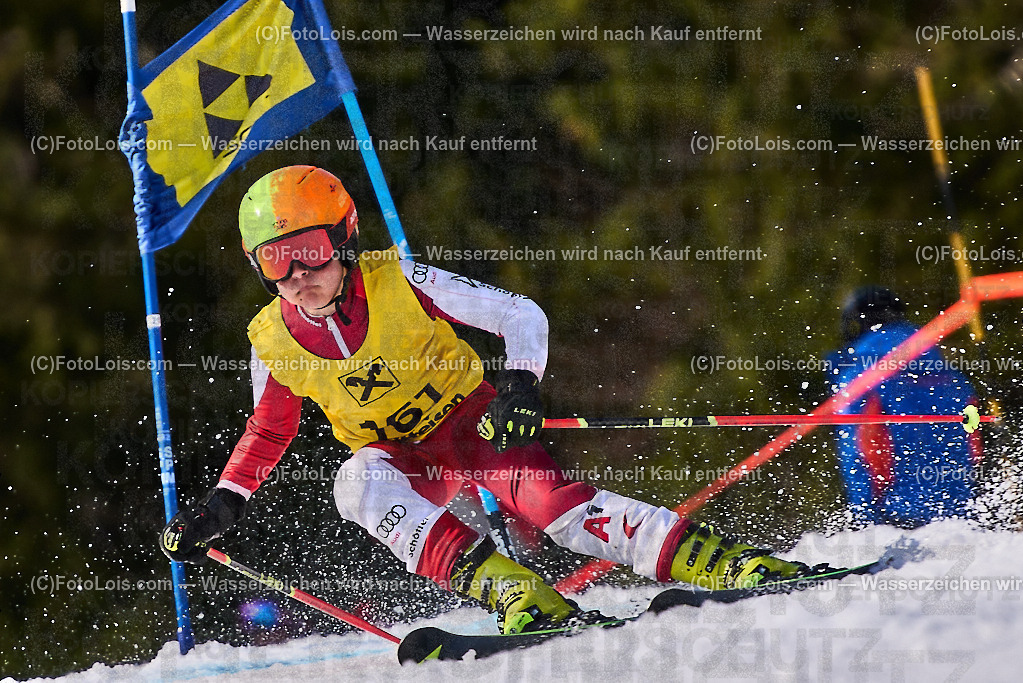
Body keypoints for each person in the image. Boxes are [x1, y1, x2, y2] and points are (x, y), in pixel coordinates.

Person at [161, 165, 815, 634]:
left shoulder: (399, 279)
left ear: (345, 238)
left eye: (310, 251)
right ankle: (517, 593)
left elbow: (520, 314)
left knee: (559, 514)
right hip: (403, 458)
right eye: (277, 261)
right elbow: (270, 431)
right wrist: (223, 504)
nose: (298, 275)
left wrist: (520, 383)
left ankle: (728, 562)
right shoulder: (271, 338)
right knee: (353, 481)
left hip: (475, 424)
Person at [826, 286, 983, 528]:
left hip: (896, 515)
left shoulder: (860, 373)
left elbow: (857, 448)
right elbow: (975, 444)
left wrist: (865, 518)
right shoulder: (952, 374)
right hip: (960, 515)